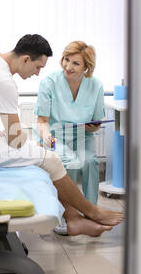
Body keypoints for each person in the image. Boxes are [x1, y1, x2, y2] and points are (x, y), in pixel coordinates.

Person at [0, 34, 123, 237]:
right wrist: (34, 147)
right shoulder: (4, 81)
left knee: (67, 158)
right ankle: (90, 212)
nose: (37, 74)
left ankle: (75, 217)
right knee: (52, 159)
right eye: (38, 67)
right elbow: (16, 139)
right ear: (26, 59)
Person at [34, 41, 105, 235]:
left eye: (75, 63)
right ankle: (66, 214)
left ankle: (91, 213)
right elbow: (42, 121)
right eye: (66, 60)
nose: (68, 66)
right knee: (70, 161)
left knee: (90, 161)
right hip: (54, 135)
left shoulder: (96, 86)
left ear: (86, 67)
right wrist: (46, 135)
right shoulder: (50, 82)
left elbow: (96, 122)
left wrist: (93, 127)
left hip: (82, 135)